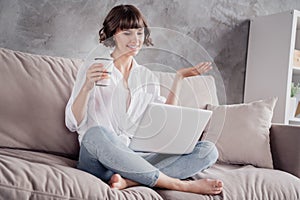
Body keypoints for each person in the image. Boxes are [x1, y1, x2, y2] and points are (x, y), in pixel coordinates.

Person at [65, 4, 223, 195]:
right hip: (99, 158)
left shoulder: (146, 76)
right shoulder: (94, 67)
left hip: (134, 159)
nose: (135, 40)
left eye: (139, 33)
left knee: (208, 150)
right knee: (96, 134)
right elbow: (72, 122)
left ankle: (129, 181)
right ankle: (178, 184)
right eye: (127, 33)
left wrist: (179, 78)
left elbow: (163, 122)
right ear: (113, 34)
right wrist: (87, 87)